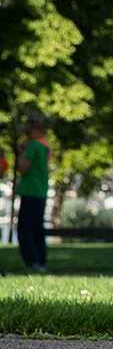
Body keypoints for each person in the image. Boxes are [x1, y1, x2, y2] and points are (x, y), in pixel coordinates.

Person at [15, 114, 51, 273]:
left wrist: (22, 154)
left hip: (30, 191)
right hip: (41, 191)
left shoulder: (33, 146)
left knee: (25, 229)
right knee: (37, 228)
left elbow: (23, 167)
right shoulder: (45, 147)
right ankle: (40, 260)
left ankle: (31, 261)